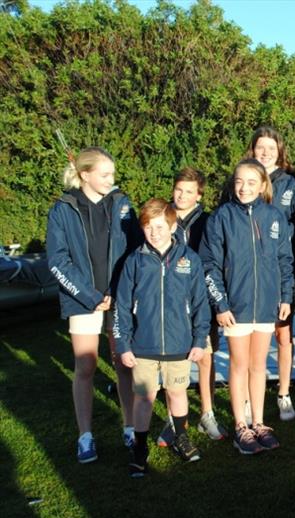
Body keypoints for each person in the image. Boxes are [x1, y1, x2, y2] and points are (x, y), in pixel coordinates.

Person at [46, 147, 141, 463]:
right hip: (82, 300)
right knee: (85, 366)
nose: (111, 180)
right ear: (84, 174)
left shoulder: (121, 203)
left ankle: (130, 428)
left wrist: (120, 291)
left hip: (118, 299)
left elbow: (135, 249)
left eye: (112, 174)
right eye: (105, 174)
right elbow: (58, 261)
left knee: (123, 364)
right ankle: (85, 437)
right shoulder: (63, 208)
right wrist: (89, 296)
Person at [200, 159, 293, 454]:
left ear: (263, 185)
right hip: (235, 307)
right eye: (239, 181)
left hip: (266, 305)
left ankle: (259, 422)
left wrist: (286, 296)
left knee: (258, 366)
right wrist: (221, 304)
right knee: (239, 366)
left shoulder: (274, 216)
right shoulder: (222, 217)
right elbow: (210, 265)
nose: (244, 187)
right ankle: (241, 426)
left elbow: (284, 261)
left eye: (251, 182)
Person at [114, 199, 209, 476]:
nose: (154, 232)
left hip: (180, 344)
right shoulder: (134, 261)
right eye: (148, 227)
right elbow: (121, 307)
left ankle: (181, 437)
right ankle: (140, 447)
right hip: (143, 346)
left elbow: (200, 303)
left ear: (172, 226)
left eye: (159, 226)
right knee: (144, 397)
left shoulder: (188, 259)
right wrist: (123, 344)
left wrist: (199, 339)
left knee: (177, 393)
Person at [154, 168, 227, 449]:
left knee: (205, 358)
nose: (182, 196)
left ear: (199, 194)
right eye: (178, 190)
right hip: (169, 302)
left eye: (189, 191)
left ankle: (207, 413)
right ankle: (174, 418)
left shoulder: (208, 221)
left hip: (201, 301)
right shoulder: (162, 219)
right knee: (173, 362)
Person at [246, 126, 295, 422]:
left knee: (283, 335)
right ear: (253, 149)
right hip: (249, 274)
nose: (266, 152)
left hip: (282, 270)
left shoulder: (293, 184)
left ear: (280, 151)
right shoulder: (242, 178)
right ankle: (247, 396)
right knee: (250, 339)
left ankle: (284, 393)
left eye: (271, 148)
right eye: (261, 147)